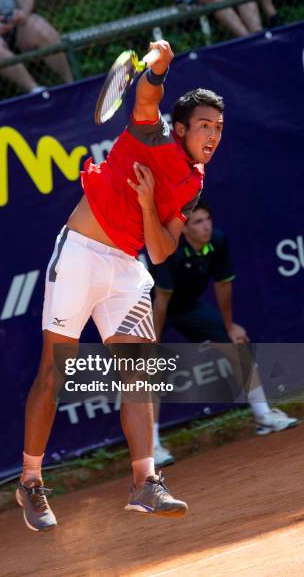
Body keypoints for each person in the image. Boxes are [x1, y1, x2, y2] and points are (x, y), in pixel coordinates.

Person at [15, 38, 226, 531]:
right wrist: (158, 69)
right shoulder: (152, 135)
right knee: (55, 373)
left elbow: (160, 250)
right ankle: (29, 480)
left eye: (218, 129)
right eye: (204, 127)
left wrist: (151, 202)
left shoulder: (193, 182)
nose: (213, 136)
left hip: (126, 268)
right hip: (81, 256)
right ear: (180, 129)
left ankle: (144, 483)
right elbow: (146, 101)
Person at [151, 200, 298, 466]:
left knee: (237, 343)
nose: (205, 226)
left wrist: (229, 327)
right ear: (184, 229)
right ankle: (151, 446)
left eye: (207, 219)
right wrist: (152, 342)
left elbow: (222, 286)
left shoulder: (217, 242)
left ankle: (264, 416)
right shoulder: (170, 249)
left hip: (187, 306)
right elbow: (160, 300)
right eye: (198, 222)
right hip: (150, 306)